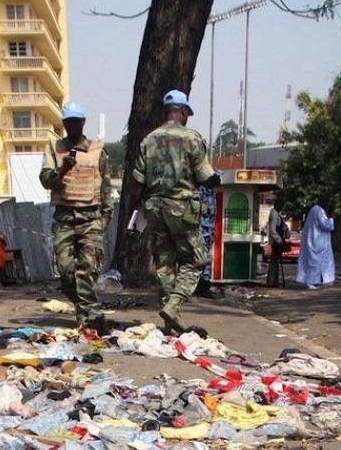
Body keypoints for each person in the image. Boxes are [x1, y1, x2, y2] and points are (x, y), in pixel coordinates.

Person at [129, 89, 220, 334]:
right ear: (183, 112)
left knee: (165, 262)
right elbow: (205, 176)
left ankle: (170, 323)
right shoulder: (192, 139)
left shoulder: (148, 140)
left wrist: (134, 213)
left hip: (154, 209)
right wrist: (215, 180)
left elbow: (137, 183)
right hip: (182, 209)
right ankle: (174, 304)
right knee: (195, 259)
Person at [39, 100, 112, 329]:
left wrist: (105, 217)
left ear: (83, 123)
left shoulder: (97, 151)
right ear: (64, 124)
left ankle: (88, 315)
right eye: (68, 123)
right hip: (65, 218)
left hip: (91, 217)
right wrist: (63, 170)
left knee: (88, 270)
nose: (72, 127)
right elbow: (45, 181)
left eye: (76, 122)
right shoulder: (54, 149)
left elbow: (106, 186)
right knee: (66, 271)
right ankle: (86, 308)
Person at [296, 198, 335, 288]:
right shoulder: (319, 211)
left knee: (313, 263)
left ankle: (316, 280)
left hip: (313, 241)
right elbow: (326, 225)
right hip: (318, 243)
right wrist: (331, 219)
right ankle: (313, 281)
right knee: (317, 263)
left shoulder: (314, 209)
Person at [195, 185, 218, 299]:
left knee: (208, 260)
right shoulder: (201, 192)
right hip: (202, 232)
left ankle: (204, 285)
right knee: (200, 260)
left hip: (209, 232)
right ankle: (199, 287)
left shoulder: (212, 195)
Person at [263, 196, 289, 287]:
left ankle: (274, 282)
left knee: (275, 262)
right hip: (275, 241)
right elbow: (273, 230)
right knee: (273, 263)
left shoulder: (277, 213)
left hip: (276, 240)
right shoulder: (274, 214)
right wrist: (279, 240)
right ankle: (271, 282)